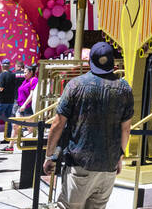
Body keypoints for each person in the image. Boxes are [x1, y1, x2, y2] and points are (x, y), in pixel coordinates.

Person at [43, 42, 133, 209]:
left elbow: (58, 123)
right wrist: (119, 157)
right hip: (108, 164)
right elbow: (125, 128)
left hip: (80, 163)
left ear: (90, 62)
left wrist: (49, 155)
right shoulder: (125, 89)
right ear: (112, 62)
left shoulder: (75, 85)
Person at [0, 58, 17, 140]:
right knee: (8, 120)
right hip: (11, 101)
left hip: (3, 101)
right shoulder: (12, 75)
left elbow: (1, 87)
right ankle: (8, 137)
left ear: (2, 66)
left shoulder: (2, 75)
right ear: (9, 66)